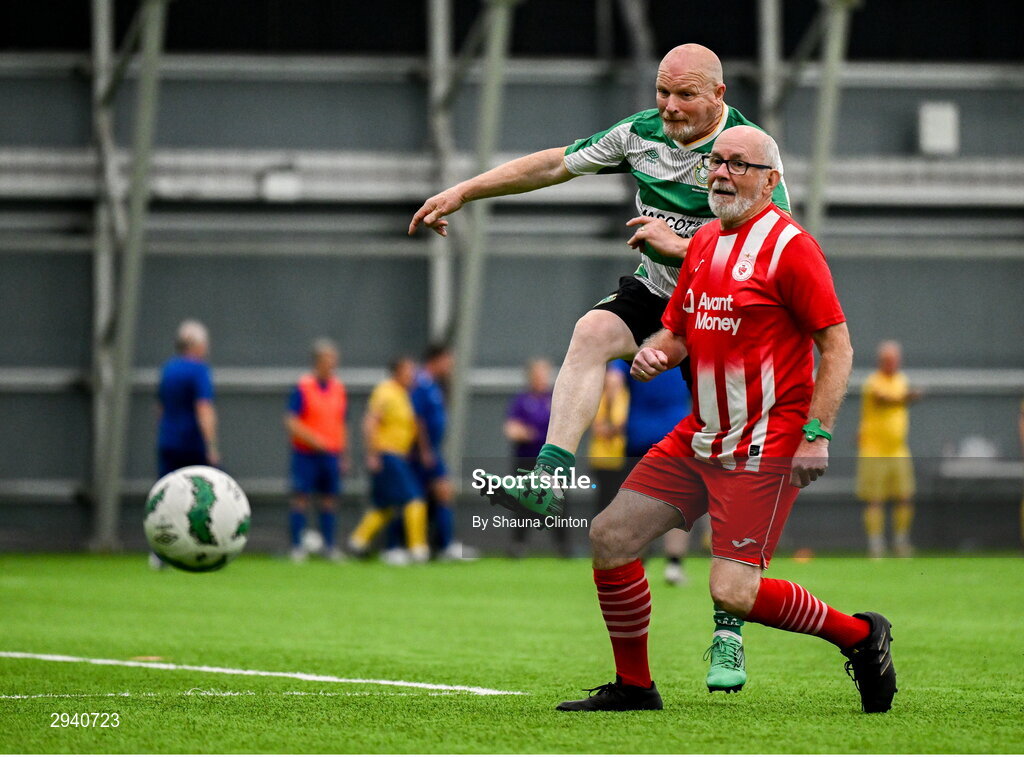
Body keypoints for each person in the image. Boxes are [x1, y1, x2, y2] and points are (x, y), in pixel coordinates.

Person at [410, 42, 776, 685]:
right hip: (661, 295)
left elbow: (770, 254)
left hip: (725, 315)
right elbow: (555, 164)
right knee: (590, 332)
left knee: (726, 474)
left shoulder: (748, 151)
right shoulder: (639, 134)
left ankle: (730, 631)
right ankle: (550, 473)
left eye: (684, 94)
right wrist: (465, 190)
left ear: (719, 96)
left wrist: (680, 244)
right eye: (662, 90)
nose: (668, 105)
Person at [555, 126, 896, 716]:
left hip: (767, 443)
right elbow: (680, 327)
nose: (720, 172)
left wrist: (818, 434)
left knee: (732, 592)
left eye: (738, 164)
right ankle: (635, 688)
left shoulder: (792, 248)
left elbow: (836, 346)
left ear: (771, 180)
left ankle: (863, 638)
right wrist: (660, 349)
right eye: (716, 161)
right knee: (610, 538)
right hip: (701, 434)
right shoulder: (706, 241)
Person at [609, 359, 695, 587]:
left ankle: (638, 564)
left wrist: (610, 417)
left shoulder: (633, 348)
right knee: (680, 502)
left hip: (639, 433)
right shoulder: (684, 348)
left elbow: (613, 381)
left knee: (637, 502)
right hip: (677, 432)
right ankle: (674, 565)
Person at [348, 356, 429, 564]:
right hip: (387, 454)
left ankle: (357, 542)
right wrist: (372, 454)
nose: (412, 375)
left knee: (384, 505)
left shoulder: (403, 394)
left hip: (397, 455)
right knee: (414, 499)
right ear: (398, 372)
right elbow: (370, 422)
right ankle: (417, 549)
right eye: (409, 370)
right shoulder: (385, 391)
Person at [408, 343, 477, 560]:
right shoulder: (421, 383)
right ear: (436, 360)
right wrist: (425, 450)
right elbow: (417, 420)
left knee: (427, 497)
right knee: (439, 493)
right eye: (448, 360)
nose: (450, 365)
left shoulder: (434, 384)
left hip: (431, 449)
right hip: (423, 452)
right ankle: (443, 545)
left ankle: (433, 545)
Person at [285, 338, 349, 563]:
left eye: (334, 359)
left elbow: (342, 423)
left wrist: (343, 454)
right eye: (327, 358)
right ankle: (297, 547)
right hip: (306, 452)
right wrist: (313, 439)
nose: (332, 363)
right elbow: (291, 421)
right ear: (317, 361)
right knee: (300, 498)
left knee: (330, 499)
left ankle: (329, 547)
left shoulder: (339, 388)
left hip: (331, 453)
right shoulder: (304, 386)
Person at [856, 340, 921, 559]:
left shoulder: (902, 380)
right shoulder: (873, 382)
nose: (891, 363)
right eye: (887, 359)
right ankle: (876, 545)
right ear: (880, 361)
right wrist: (907, 397)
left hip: (898, 450)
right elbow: (883, 399)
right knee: (875, 499)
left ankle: (901, 541)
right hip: (874, 450)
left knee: (905, 496)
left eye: (894, 359)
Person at [504, 358, 569, 556]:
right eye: (538, 375)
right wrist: (527, 433)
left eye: (545, 374)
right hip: (527, 460)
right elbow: (511, 429)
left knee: (557, 502)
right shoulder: (521, 401)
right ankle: (518, 545)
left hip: (551, 462)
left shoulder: (555, 399)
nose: (542, 379)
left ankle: (563, 546)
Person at [157, 319, 219, 476]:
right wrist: (211, 447)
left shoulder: (168, 369)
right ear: (197, 345)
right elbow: (203, 408)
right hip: (192, 445)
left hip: (168, 442)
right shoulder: (199, 370)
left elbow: (160, 408)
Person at [587, 367, 629, 513]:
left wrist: (610, 428)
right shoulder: (599, 397)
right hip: (601, 458)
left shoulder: (624, 396)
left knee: (619, 497)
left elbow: (621, 425)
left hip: (620, 456)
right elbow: (597, 427)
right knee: (602, 498)